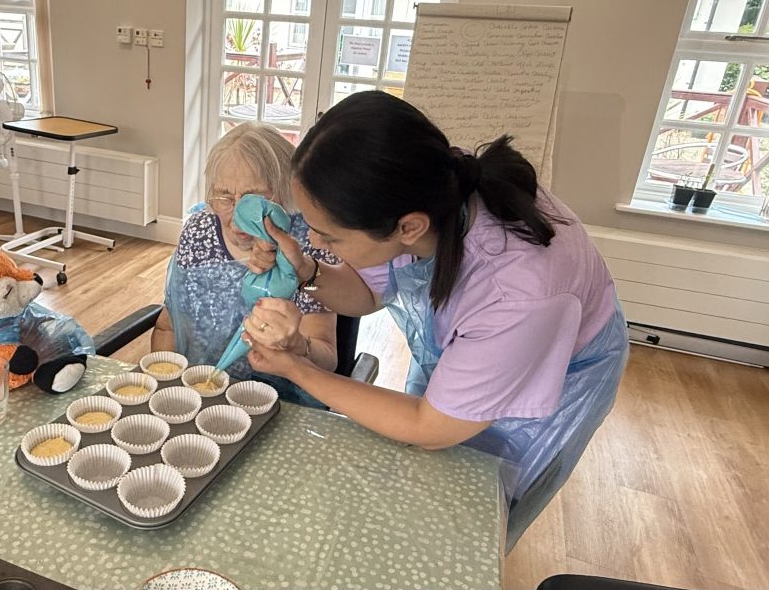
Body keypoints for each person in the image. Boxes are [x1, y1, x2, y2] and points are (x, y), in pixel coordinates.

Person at [243, 91, 629, 548]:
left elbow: (432, 427)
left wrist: (296, 368)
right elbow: (368, 291)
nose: (315, 240)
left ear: (409, 228)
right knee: (418, 487)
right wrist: (308, 270)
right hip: (497, 331)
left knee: (462, 520)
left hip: (558, 368)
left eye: (330, 237)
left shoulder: (517, 294)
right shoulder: (433, 184)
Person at [151, 123, 338, 406]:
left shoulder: (310, 242)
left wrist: (298, 344)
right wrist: (164, 391)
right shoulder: (199, 233)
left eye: (256, 200)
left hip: (282, 402)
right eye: (224, 196)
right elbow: (169, 327)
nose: (238, 217)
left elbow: (326, 358)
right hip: (204, 390)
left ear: (288, 193)